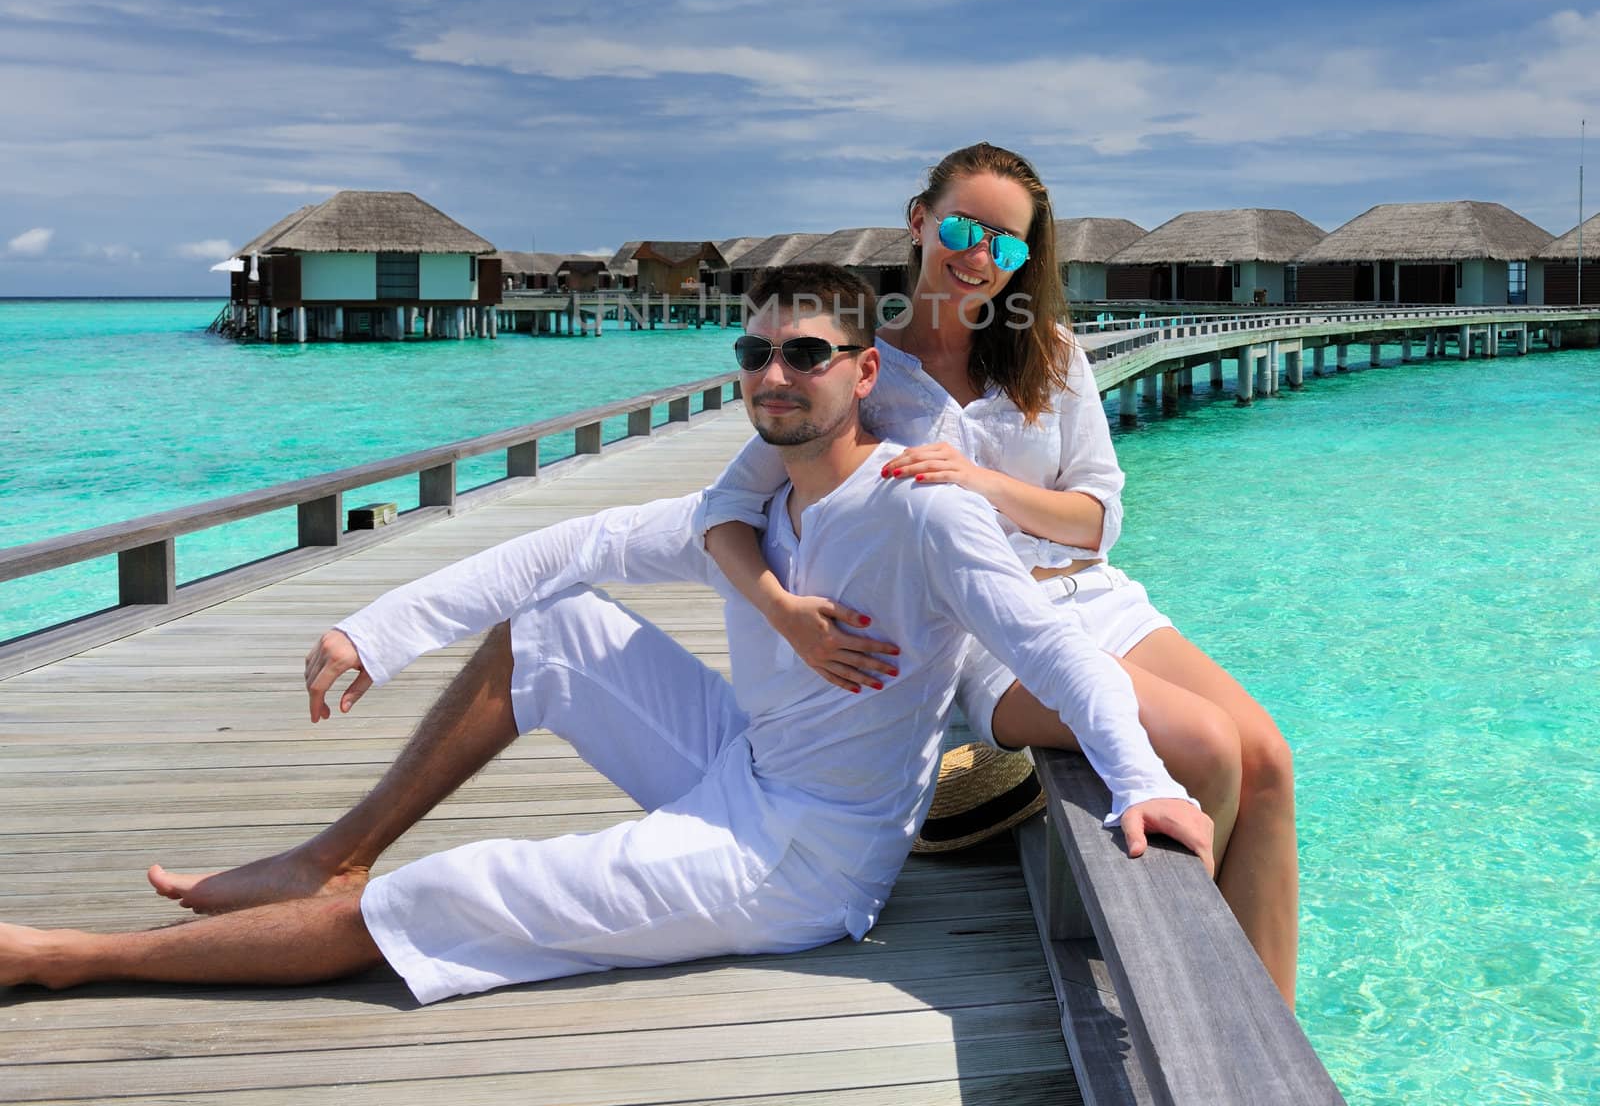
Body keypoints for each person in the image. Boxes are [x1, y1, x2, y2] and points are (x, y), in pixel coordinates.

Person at [0, 265, 1210, 998]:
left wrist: (1145, 777)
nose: (775, 373)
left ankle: (71, 955)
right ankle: (334, 850)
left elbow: (1051, 648)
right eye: (756, 352)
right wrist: (376, 627)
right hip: (744, 766)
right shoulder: (754, 507)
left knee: (447, 894)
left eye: (805, 353)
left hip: (806, 860)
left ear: (863, 366)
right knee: (556, 624)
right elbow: (562, 550)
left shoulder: (922, 513)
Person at [700, 144, 1299, 1004]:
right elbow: (721, 512)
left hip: (1091, 594)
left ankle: (1267, 1045)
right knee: (1206, 748)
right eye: (962, 227)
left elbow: (1098, 522)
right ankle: (1195, 1010)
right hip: (983, 633)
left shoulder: (1049, 354)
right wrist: (783, 611)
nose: (979, 255)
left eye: (1007, 245)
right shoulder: (862, 368)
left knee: (1269, 760)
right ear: (919, 222)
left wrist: (985, 483)